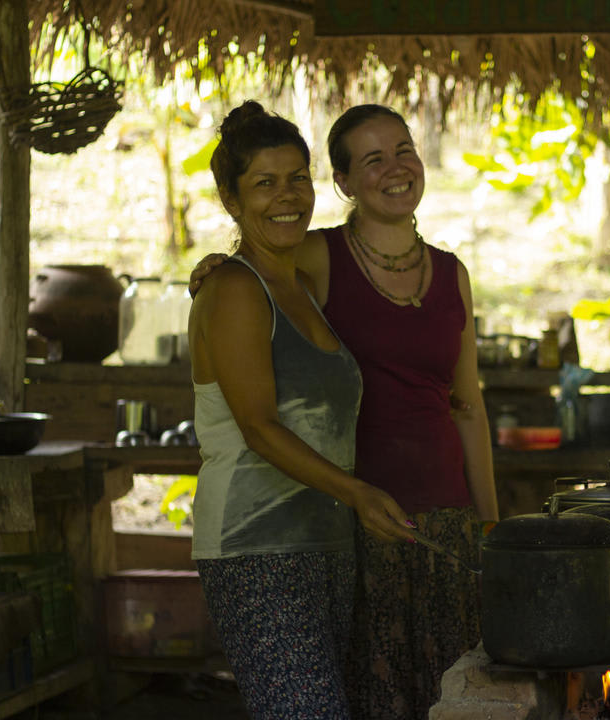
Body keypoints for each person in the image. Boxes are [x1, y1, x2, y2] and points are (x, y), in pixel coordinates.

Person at [191, 103, 498, 719]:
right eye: (264, 183)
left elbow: (466, 404)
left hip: (341, 539)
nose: (286, 195)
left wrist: (489, 523)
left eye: (294, 178)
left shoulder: (301, 285)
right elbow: (256, 423)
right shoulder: (268, 275)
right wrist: (358, 494)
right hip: (277, 541)